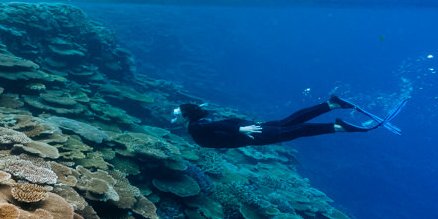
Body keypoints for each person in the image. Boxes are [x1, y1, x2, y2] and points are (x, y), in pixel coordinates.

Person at [172, 95, 407, 149]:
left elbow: (214, 126)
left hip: (251, 134)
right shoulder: (197, 123)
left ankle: (337, 125)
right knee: (290, 123)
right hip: (249, 132)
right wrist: (239, 126)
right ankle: (331, 105)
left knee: (295, 130)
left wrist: (240, 128)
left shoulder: (195, 127)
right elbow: (220, 123)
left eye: (176, 114)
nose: (173, 117)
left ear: (186, 116)